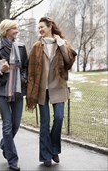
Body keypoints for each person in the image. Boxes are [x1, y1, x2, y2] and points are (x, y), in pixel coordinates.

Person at [26, 16, 77, 167]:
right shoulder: (36, 46)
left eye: (42, 27)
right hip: (42, 89)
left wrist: (61, 44)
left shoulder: (62, 43)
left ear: (50, 27)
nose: (40, 29)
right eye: (39, 28)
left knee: (60, 117)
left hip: (58, 87)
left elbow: (69, 61)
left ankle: (54, 149)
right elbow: (31, 68)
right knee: (44, 122)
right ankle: (46, 156)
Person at [0, 19, 28, 171]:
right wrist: (1, 70)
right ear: (6, 31)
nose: (17, 31)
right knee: (7, 125)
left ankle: (4, 144)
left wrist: (23, 78)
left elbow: (25, 66)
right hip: (2, 92)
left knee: (15, 124)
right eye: (14, 29)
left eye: (17, 28)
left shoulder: (21, 47)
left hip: (17, 91)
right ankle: (12, 160)